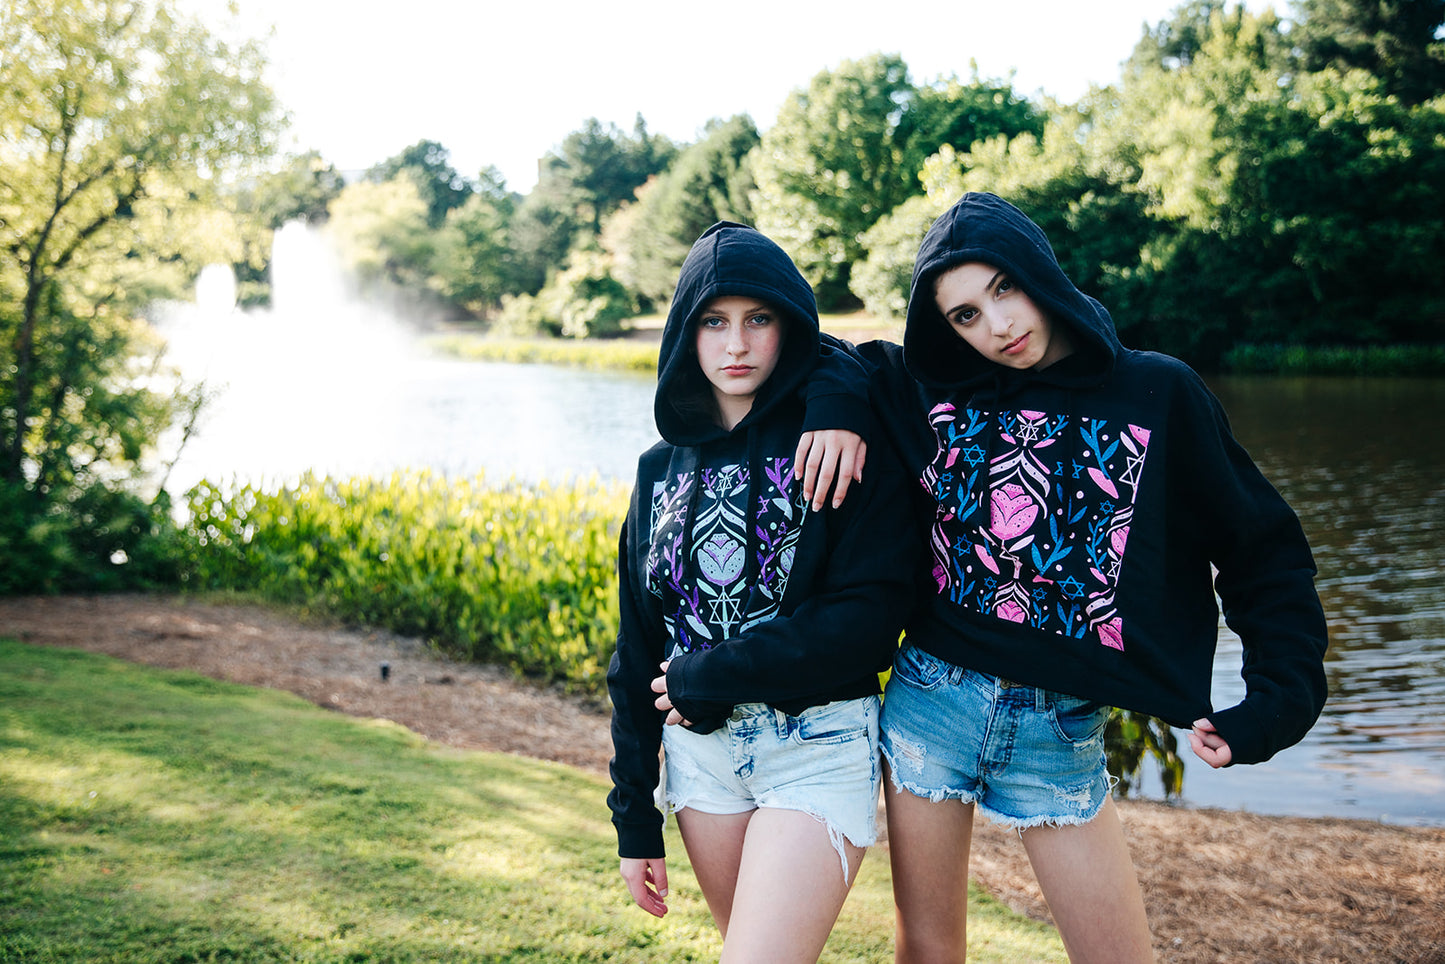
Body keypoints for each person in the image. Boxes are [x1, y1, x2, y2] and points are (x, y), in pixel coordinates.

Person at [848, 192, 1330, 963]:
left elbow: (1261, 552)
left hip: (1059, 730)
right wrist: (832, 412)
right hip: (929, 704)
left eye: (1004, 288)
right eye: (965, 314)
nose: (997, 324)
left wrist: (1278, 700)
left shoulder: (1158, 392)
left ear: (1037, 271)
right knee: (928, 955)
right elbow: (826, 361)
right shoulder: (933, 392)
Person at [606, 221, 918, 962]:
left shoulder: (838, 440)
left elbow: (869, 620)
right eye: (713, 322)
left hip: (817, 744)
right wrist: (634, 819)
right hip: (700, 761)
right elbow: (637, 645)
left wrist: (711, 673)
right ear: (685, 334)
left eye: (759, 319)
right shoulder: (656, 470)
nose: (736, 344)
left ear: (791, 327)